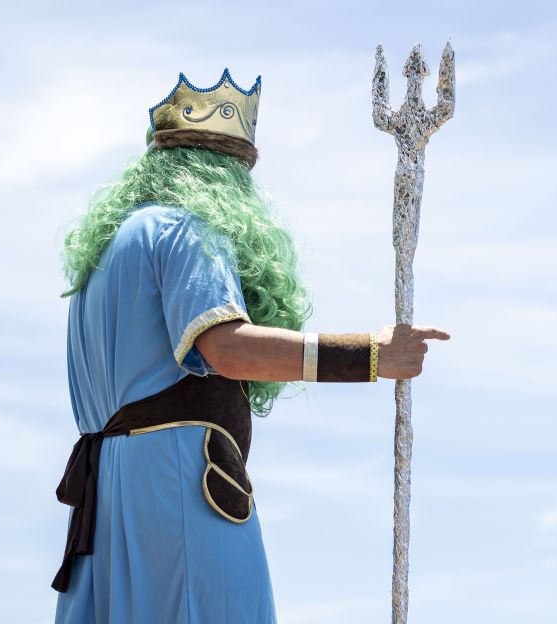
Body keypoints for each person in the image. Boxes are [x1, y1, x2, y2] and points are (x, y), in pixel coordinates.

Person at [50, 69, 450, 623]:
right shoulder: (187, 228)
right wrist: (372, 355)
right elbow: (226, 348)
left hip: (110, 496)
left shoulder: (102, 258)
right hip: (179, 482)